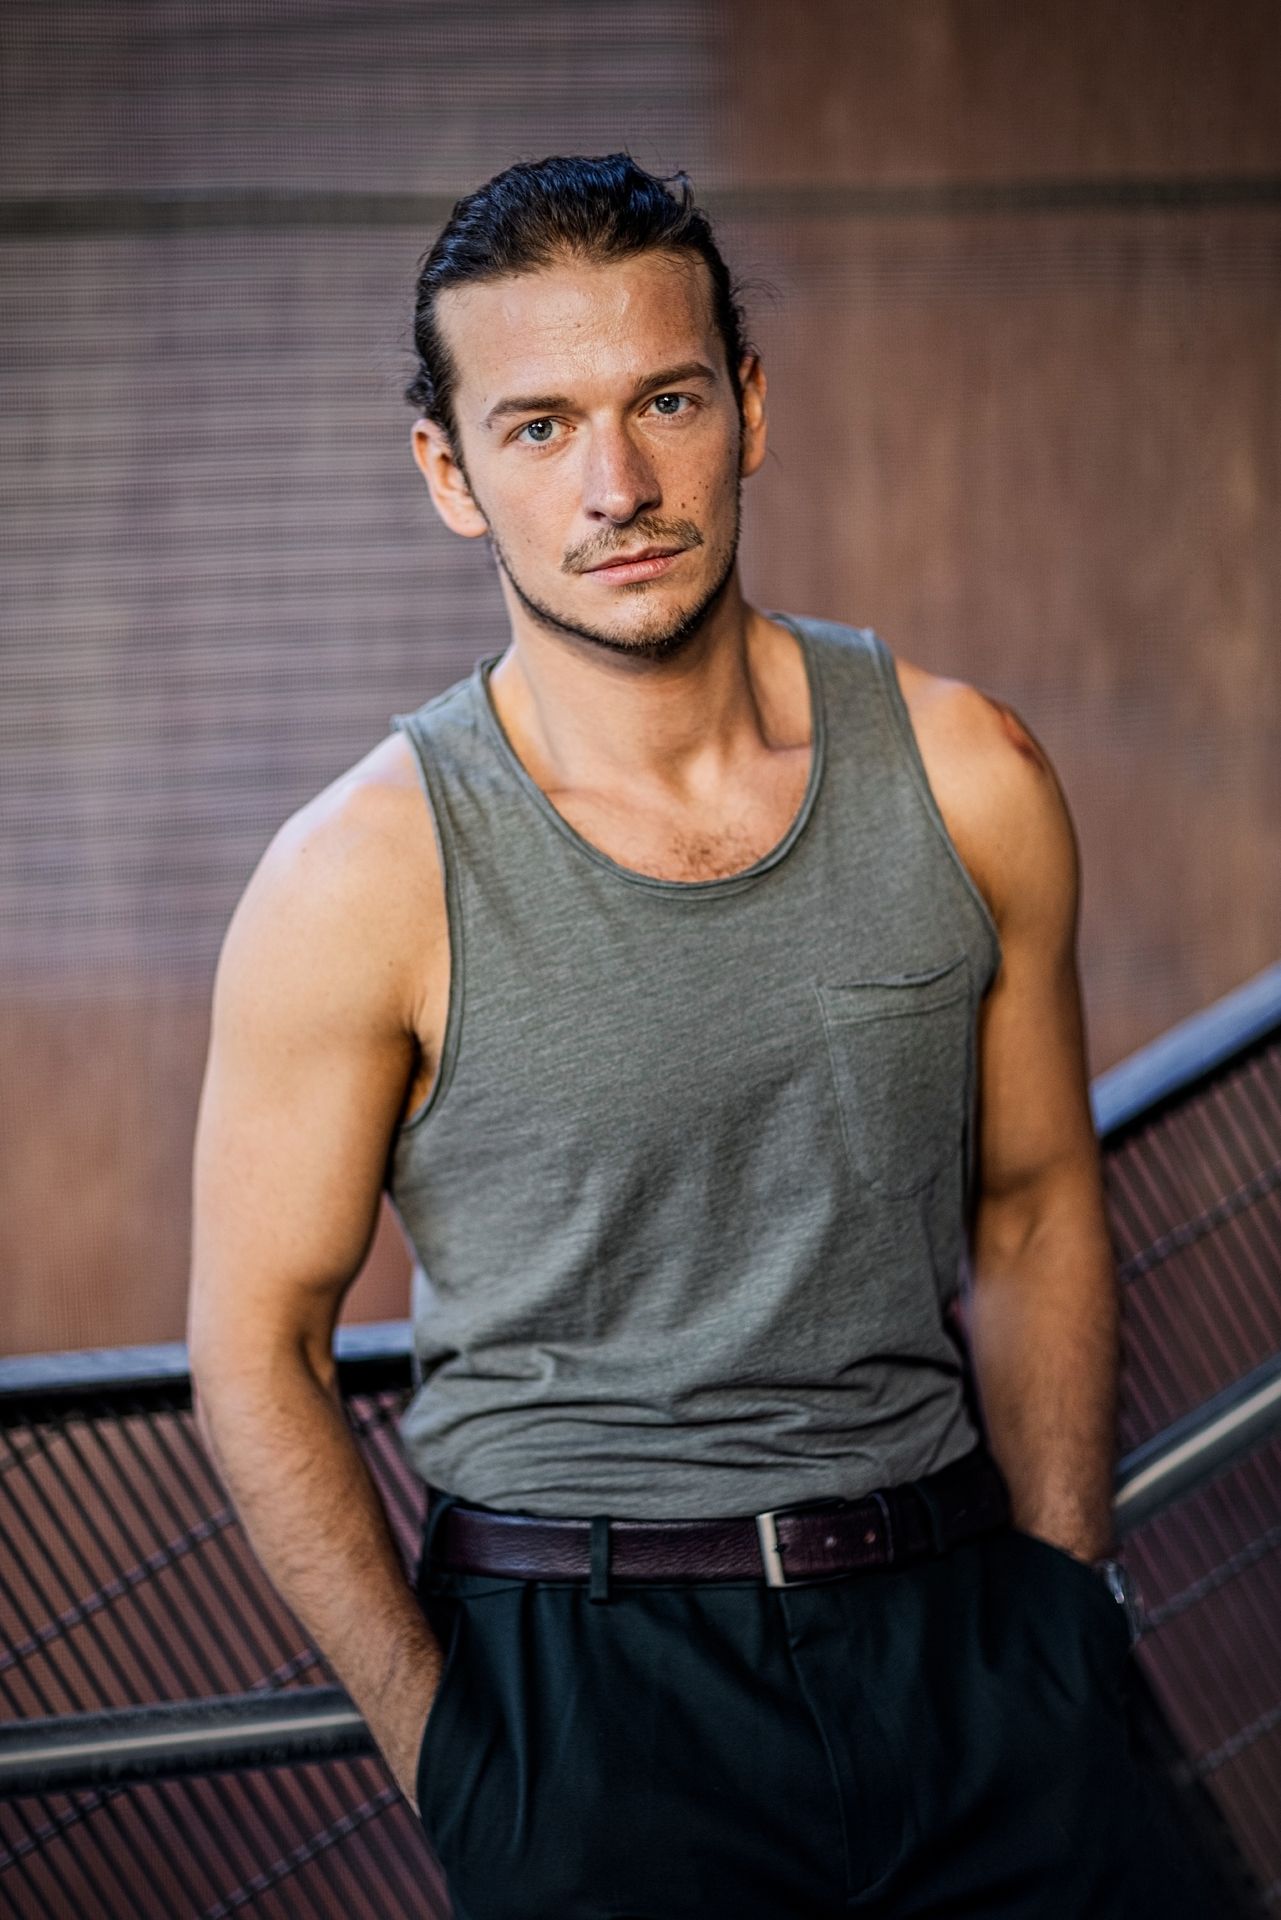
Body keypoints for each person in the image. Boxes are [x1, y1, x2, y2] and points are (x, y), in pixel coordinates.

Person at [188, 153, 1228, 1918]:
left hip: (967, 1636)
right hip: (587, 1686)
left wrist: (1065, 1600)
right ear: (448, 474)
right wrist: (460, 1764)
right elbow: (254, 1345)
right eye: (536, 429)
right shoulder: (358, 877)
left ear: (746, 407)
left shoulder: (966, 772)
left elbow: (1035, 1203)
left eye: (662, 401)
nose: (616, 485)